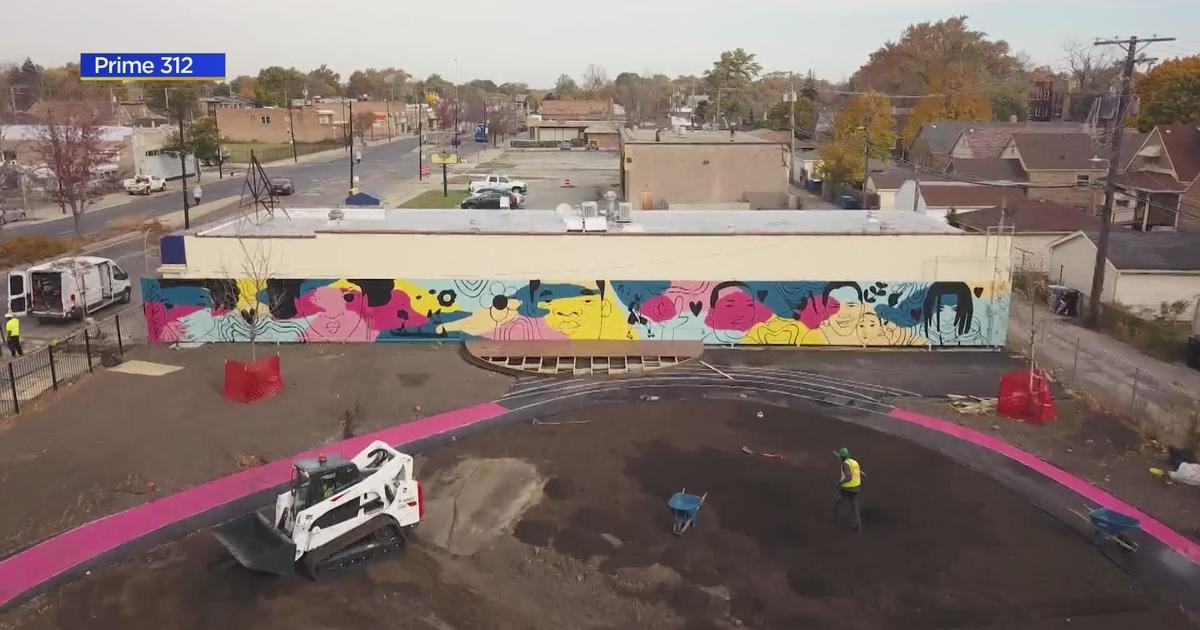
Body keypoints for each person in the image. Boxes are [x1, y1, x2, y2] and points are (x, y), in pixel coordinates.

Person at [832, 447, 863, 531]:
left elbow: (849, 476)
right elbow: (858, 472)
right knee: (855, 506)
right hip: (857, 487)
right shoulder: (854, 462)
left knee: (840, 502)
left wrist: (840, 483)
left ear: (842, 457)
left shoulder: (845, 464)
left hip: (847, 488)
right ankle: (858, 525)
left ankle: (835, 520)